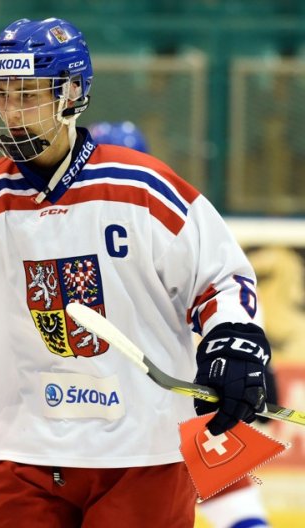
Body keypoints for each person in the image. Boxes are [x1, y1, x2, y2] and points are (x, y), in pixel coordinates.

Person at [0, 17, 271, 528]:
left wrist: (234, 341)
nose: (9, 111)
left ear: (72, 92)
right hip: (22, 454)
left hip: (141, 452)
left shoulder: (143, 186)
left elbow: (222, 279)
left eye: (26, 93)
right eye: (1, 94)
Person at [88, 120, 274, 528]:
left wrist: (249, 358)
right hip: (95, 414)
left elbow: (223, 286)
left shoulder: (164, 217)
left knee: (234, 501)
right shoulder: (56, 227)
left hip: (171, 406)